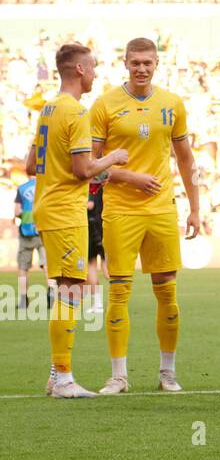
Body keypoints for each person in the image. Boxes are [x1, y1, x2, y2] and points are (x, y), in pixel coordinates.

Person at [90, 37, 202, 395]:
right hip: (120, 210)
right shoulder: (104, 104)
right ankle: (118, 376)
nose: (141, 68)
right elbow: (90, 167)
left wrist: (195, 207)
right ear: (125, 62)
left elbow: (186, 159)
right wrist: (129, 177)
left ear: (157, 64)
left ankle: (167, 372)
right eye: (135, 62)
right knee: (119, 293)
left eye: (147, 63)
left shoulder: (172, 104)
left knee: (167, 293)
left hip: (161, 210)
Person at [26, 43, 129, 399]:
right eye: (94, 66)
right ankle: (64, 378)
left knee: (69, 288)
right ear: (80, 70)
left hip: (47, 206)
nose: (97, 72)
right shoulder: (75, 112)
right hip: (64, 210)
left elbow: (29, 165)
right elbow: (83, 168)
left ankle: (57, 374)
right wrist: (113, 158)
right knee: (71, 289)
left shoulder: (47, 108)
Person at [14, 173, 48, 312]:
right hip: (43, 229)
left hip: (26, 231)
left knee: (23, 267)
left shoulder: (22, 188)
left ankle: (23, 300)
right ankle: (51, 297)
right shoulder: (45, 185)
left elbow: (17, 212)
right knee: (47, 266)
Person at [85, 182, 105, 314]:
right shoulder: (104, 183)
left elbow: (89, 204)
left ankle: (98, 304)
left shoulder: (90, 185)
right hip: (105, 223)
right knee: (106, 265)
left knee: (91, 265)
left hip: (92, 227)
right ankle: (118, 300)